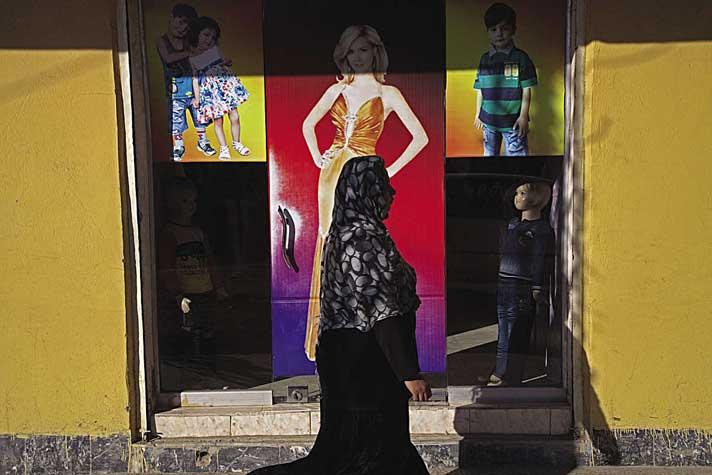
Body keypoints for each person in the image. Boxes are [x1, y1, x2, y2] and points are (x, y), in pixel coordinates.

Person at [249, 156, 431, 475]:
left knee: (354, 451)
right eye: (383, 185)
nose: (391, 193)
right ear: (367, 191)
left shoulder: (345, 234)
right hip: (367, 365)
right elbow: (381, 310)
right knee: (374, 451)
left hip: (349, 360)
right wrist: (408, 372)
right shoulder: (363, 240)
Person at [302, 25, 429, 361]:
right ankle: (326, 336)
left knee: (360, 248)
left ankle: (364, 334)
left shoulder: (389, 94)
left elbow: (421, 138)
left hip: (362, 178)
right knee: (329, 243)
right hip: (331, 177)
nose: (357, 57)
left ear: (375, 51)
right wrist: (318, 158)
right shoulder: (336, 89)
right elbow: (307, 125)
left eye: (363, 50)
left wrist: (386, 172)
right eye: (351, 51)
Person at [486, 182, 554, 387]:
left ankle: (511, 375)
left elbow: (539, 259)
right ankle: (500, 370)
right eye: (517, 192)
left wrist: (537, 286)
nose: (517, 197)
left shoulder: (540, 230)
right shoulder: (513, 224)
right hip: (505, 283)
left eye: (522, 193)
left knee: (516, 331)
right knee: (503, 331)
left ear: (536, 198)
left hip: (520, 286)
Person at [157, 177, 229, 357]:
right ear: (171, 204)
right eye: (184, 201)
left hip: (205, 290)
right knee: (188, 329)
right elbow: (167, 267)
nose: (191, 206)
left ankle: (206, 356)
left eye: (193, 201)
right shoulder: (170, 234)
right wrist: (177, 294)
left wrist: (219, 286)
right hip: (186, 293)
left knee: (207, 327)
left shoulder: (198, 233)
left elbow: (210, 261)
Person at [473, 3, 537, 156]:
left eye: (504, 28)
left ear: (513, 30)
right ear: (488, 32)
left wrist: (523, 116)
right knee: (489, 157)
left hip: (513, 124)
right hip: (488, 122)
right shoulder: (484, 60)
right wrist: (478, 114)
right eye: (493, 29)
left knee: (516, 161)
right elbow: (480, 90)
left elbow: (527, 89)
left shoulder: (521, 58)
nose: (499, 34)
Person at [156, 4, 216, 161]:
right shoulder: (162, 41)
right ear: (171, 17)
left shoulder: (188, 41)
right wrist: (190, 53)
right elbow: (168, 58)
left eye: (187, 26)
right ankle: (178, 146)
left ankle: (203, 142)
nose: (183, 28)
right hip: (176, 92)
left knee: (200, 118)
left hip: (194, 88)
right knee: (176, 121)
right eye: (181, 22)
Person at [189, 16, 250, 161]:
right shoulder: (192, 58)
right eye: (206, 35)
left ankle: (237, 143)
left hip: (225, 87)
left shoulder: (216, 49)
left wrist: (227, 62)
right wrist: (197, 98)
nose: (209, 40)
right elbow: (195, 79)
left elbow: (224, 62)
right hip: (212, 92)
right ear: (197, 34)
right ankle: (224, 148)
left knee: (235, 116)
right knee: (218, 121)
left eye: (212, 37)